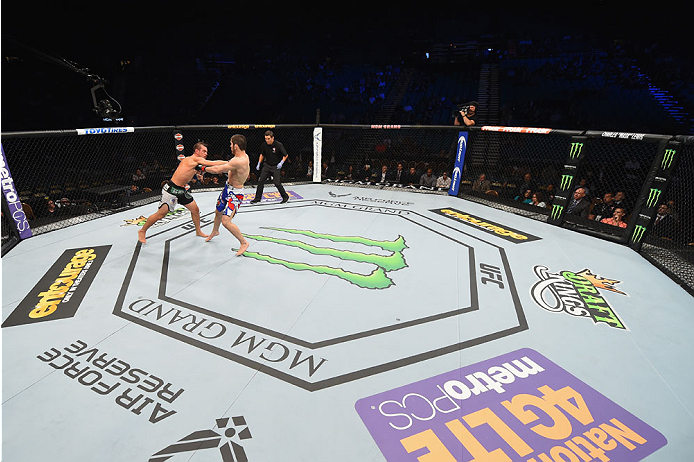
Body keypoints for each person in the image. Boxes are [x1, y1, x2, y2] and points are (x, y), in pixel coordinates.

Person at [137, 141, 225, 244]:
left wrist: (199, 175)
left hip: (181, 190)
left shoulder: (195, 163)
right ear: (197, 151)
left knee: (195, 210)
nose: (206, 153)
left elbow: (195, 170)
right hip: (172, 190)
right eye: (204, 151)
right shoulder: (192, 159)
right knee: (161, 214)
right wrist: (231, 163)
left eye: (206, 152)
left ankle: (198, 231)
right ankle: (142, 231)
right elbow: (212, 163)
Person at [203, 134, 251, 256]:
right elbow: (223, 164)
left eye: (231, 144)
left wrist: (202, 168)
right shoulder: (240, 157)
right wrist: (207, 164)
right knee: (218, 210)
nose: (230, 146)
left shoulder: (239, 160)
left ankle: (243, 242)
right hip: (227, 189)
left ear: (235, 146)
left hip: (235, 194)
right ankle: (215, 231)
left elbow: (218, 170)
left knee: (226, 221)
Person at [251, 130, 289, 204]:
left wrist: (281, 163)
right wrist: (259, 163)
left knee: (277, 183)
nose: (267, 140)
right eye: (266, 139)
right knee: (261, 181)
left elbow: (286, 155)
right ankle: (257, 198)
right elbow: (262, 154)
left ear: (272, 138)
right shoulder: (264, 145)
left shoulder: (278, 145)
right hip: (267, 166)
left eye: (268, 139)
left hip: (275, 166)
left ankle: (285, 196)